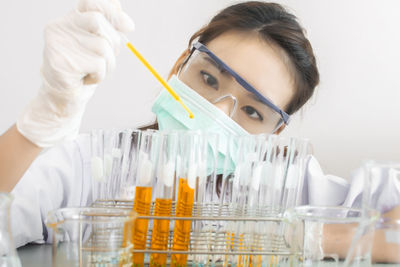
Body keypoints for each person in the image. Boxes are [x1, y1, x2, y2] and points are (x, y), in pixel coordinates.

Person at [6, 0, 399, 262]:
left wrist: (316, 238)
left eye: (251, 111)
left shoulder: (289, 188)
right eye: (209, 79)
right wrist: (38, 125)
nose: (216, 113)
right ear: (180, 64)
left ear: (273, 134)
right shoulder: (88, 165)